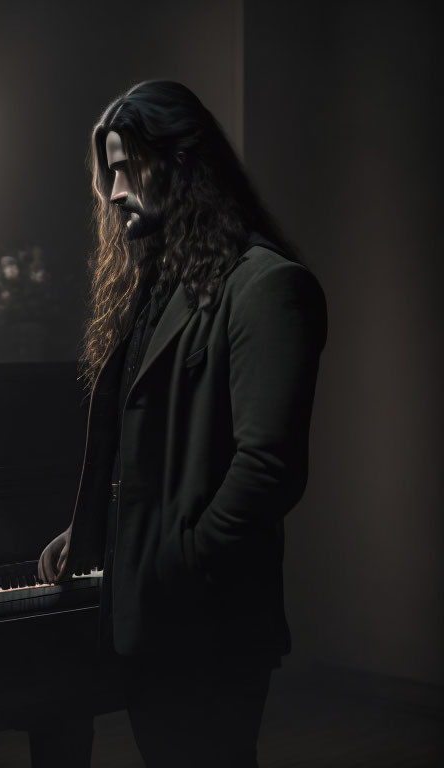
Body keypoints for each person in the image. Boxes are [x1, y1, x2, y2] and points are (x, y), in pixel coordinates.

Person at [37, 80, 327, 767]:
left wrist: (177, 564)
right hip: (153, 622)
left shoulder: (267, 286)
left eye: (125, 168)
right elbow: (148, 457)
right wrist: (94, 531)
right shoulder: (154, 286)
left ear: (180, 162)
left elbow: (268, 469)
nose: (111, 192)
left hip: (209, 623)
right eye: (107, 172)